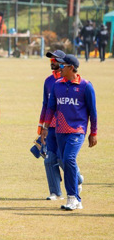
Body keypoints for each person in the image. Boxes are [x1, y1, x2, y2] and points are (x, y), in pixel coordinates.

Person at [40, 54, 97, 211]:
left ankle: (73, 197)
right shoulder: (57, 85)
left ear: (72, 67)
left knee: (69, 158)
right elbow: (51, 107)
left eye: (63, 65)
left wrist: (94, 133)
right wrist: (44, 128)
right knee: (64, 161)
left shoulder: (86, 85)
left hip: (77, 130)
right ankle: (75, 199)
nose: (60, 68)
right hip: (60, 130)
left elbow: (93, 111)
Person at [37, 50, 84, 201]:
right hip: (51, 127)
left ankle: (77, 180)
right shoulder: (48, 81)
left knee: (64, 159)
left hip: (66, 127)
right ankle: (55, 192)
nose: (52, 62)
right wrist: (41, 127)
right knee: (49, 159)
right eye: (50, 60)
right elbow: (46, 105)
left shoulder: (68, 81)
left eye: (55, 60)